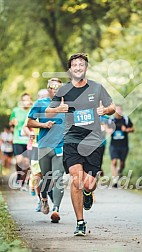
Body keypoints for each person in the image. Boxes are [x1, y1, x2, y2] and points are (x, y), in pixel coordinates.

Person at [45, 53, 115, 236]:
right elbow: (48, 111)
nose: (78, 67)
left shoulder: (97, 87)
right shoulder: (63, 90)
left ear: (86, 67)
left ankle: (88, 193)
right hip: (72, 139)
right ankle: (80, 222)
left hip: (93, 141)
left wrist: (105, 109)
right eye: (74, 65)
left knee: (89, 184)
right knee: (76, 179)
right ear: (70, 69)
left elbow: (112, 107)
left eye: (81, 64)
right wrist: (58, 108)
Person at [27, 78, 65, 223]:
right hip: (44, 146)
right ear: (48, 88)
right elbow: (29, 122)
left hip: (60, 146)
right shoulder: (40, 103)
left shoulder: (67, 105)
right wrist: (43, 125)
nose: (55, 89)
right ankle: (43, 198)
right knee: (47, 179)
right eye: (52, 86)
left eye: (58, 86)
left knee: (58, 178)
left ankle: (56, 209)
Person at [9, 93, 32, 190]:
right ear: (22, 102)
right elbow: (11, 124)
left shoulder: (32, 111)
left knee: (26, 162)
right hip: (18, 140)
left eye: (28, 100)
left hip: (28, 140)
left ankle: (23, 182)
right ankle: (19, 176)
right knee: (19, 160)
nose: (26, 102)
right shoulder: (16, 110)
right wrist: (12, 123)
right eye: (24, 100)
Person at [107, 105, 134, 187]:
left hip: (124, 145)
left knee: (122, 164)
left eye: (120, 109)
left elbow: (132, 129)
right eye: (117, 109)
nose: (119, 111)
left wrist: (126, 130)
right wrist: (109, 131)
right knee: (114, 162)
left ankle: (119, 171)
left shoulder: (125, 119)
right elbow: (106, 128)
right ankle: (115, 181)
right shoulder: (111, 120)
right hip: (114, 145)